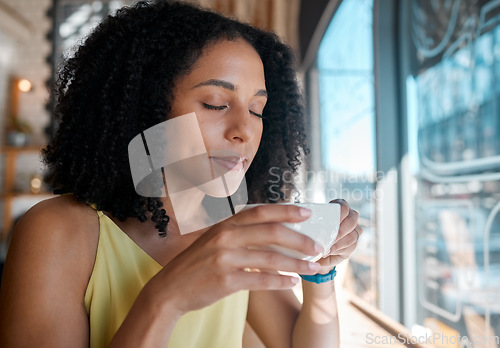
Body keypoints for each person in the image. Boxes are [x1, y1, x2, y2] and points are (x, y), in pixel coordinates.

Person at [0, 1, 362, 347]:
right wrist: (167, 297)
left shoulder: (235, 231)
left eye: (257, 109)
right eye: (216, 104)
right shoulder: (57, 232)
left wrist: (319, 274)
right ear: (148, 109)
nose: (245, 130)